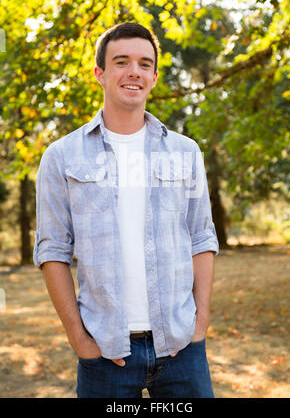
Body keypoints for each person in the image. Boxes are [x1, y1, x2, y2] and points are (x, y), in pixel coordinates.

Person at [34, 22, 219, 398]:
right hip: (104, 354)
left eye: (144, 63)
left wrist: (200, 323)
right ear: (100, 73)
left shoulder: (186, 152)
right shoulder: (61, 156)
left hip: (182, 349)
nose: (134, 71)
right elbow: (52, 251)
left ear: (153, 77)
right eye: (121, 62)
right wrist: (78, 337)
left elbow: (201, 237)